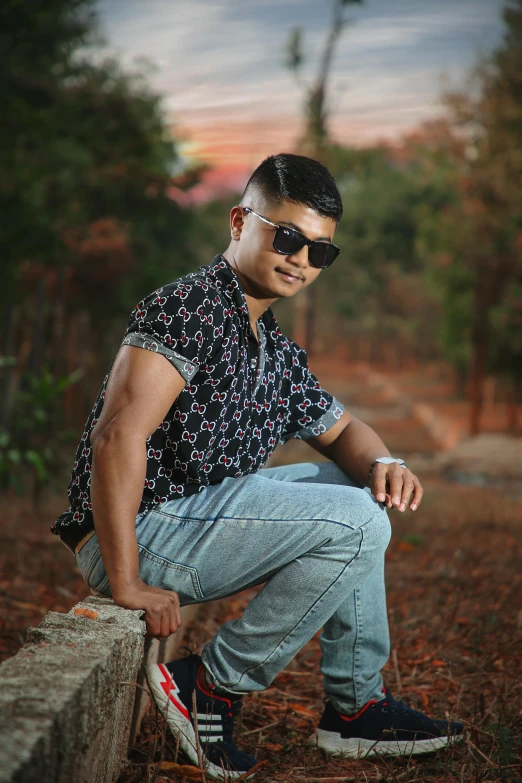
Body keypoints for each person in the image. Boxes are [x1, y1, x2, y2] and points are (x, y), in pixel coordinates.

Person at [51, 153, 464, 780]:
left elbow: (346, 429)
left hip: (192, 522)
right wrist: (126, 577)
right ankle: (213, 685)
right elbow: (117, 437)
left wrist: (386, 460)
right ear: (241, 220)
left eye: (319, 252)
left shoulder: (271, 349)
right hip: (141, 531)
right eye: (289, 237)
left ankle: (355, 710)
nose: (301, 259)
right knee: (355, 522)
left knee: (365, 494)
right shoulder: (189, 308)